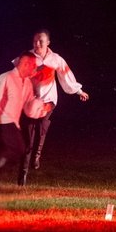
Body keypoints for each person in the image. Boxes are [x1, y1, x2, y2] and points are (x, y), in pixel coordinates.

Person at [16, 29, 89, 186]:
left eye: (40, 41)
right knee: (28, 140)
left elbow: (66, 77)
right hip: (30, 102)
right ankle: (22, 175)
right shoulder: (26, 57)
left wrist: (79, 91)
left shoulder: (55, 59)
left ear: (48, 42)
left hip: (49, 101)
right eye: (35, 41)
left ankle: (38, 153)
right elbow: (15, 77)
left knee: (42, 128)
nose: (37, 44)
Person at [0, 53, 41, 189]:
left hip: (11, 122)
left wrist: (42, 106)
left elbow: (29, 107)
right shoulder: (6, 77)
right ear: (25, 64)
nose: (35, 68)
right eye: (33, 65)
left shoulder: (28, 83)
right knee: (18, 148)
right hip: (0, 120)